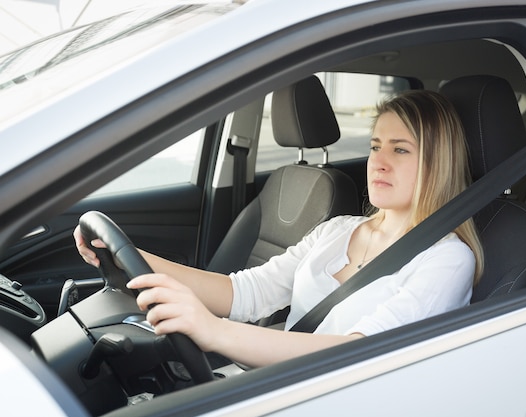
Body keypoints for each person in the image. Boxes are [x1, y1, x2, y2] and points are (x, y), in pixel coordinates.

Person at [74, 89, 484, 369]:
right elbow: (247, 292)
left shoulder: (448, 258)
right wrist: (133, 257)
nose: (378, 162)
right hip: (278, 384)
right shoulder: (338, 230)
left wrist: (215, 332)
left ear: (437, 161)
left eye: (400, 149)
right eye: (376, 146)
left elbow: (359, 355)